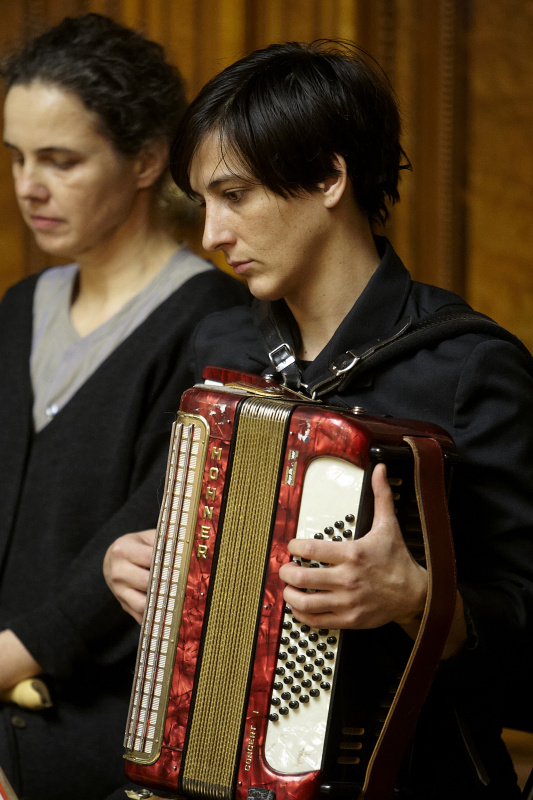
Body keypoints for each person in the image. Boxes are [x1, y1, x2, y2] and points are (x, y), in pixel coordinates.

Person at [104, 41, 533, 799]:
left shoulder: (470, 368)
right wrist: (138, 564)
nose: (211, 235)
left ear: (330, 177)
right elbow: (163, 535)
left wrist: (417, 601)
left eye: (234, 196)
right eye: (203, 202)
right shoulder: (221, 346)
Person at [0, 13, 247, 800]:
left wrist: (12, 655)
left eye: (61, 161)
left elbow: (152, 529)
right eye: (16, 158)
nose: (28, 187)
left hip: (106, 736)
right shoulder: (18, 306)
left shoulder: (216, 325)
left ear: (145, 161)